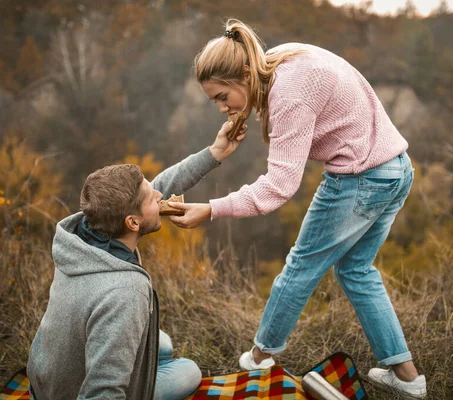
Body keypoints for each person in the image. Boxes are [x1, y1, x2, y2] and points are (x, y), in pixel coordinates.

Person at [168, 19, 427, 398]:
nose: (222, 107)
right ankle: (407, 378)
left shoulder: (287, 95)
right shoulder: (281, 59)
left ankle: (259, 358)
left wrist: (210, 209)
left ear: (243, 73)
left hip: (359, 178)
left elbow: (278, 187)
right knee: (356, 270)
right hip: (395, 168)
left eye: (222, 96)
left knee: (301, 265)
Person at [27, 121, 247, 400]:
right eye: (151, 198)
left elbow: (163, 185)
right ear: (132, 222)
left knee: (161, 344)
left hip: (46, 377)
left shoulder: (83, 234)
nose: (159, 195)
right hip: (71, 392)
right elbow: (102, 391)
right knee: (188, 370)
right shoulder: (126, 292)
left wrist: (215, 152)